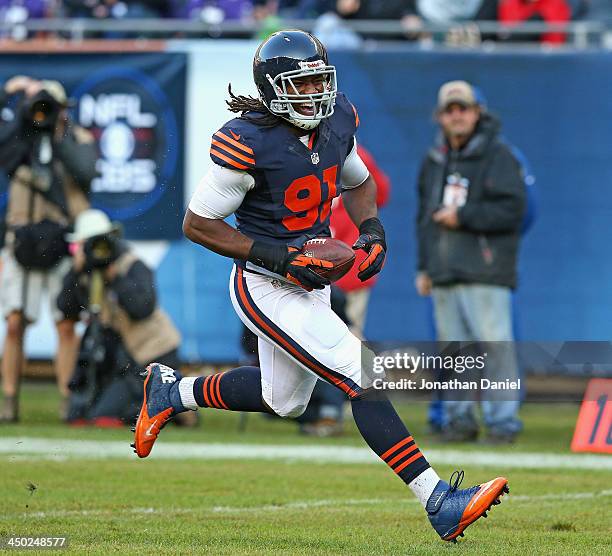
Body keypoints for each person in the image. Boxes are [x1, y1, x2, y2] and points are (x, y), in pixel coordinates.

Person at [132, 31, 509, 542]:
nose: (314, 93)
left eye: (319, 80)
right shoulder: (249, 141)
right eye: (301, 82)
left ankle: (172, 391)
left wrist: (372, 230)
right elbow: (198, 223)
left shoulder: (336, 123)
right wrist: (279, 257)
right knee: (363, 375)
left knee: (283, 400)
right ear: (273, 89)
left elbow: (357, 183)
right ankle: (439, 500)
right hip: (264, 285)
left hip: (307, 283)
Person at [415, 80, 526, 443]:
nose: (457, 115)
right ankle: (459, 421)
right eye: (450, 109)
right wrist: (424, 266)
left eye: (463, 108)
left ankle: (502, 423)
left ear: (478, 112)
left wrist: (464, 216)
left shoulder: (500, 155)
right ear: (439, 117)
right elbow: (423, 218)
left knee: (495, 348)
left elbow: (513, 210)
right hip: (444, 271)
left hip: (486, 270)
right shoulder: (435, 159)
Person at [0, 76, 97, 422]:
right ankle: (9, 399)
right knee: (14, 323)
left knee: (66, 324)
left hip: (61, 240)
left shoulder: (76, 139)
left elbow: (87, 172)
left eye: (51, 107)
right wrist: (12, 99)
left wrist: (58, 137)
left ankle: (67, 400)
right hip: (21, 238)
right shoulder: (20, 138)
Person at [57, 209, 186, 426]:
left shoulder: (132, 265)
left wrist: (116, 279)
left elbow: (142, 309)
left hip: (154, 354)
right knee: (82, 415)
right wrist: (75, 273)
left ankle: (174, 406)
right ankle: (162, 404)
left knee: (108, 417)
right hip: (122, 361)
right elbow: (65, 309)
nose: (97, 251)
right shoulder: (86, 273)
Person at [330, 144, 390, 338]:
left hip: (348, 264)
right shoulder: (354, 153)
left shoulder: (354, 154)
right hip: (320, 263)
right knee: (342, 334)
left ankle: (359, 368)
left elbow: (379, 195)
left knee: (346, 334)